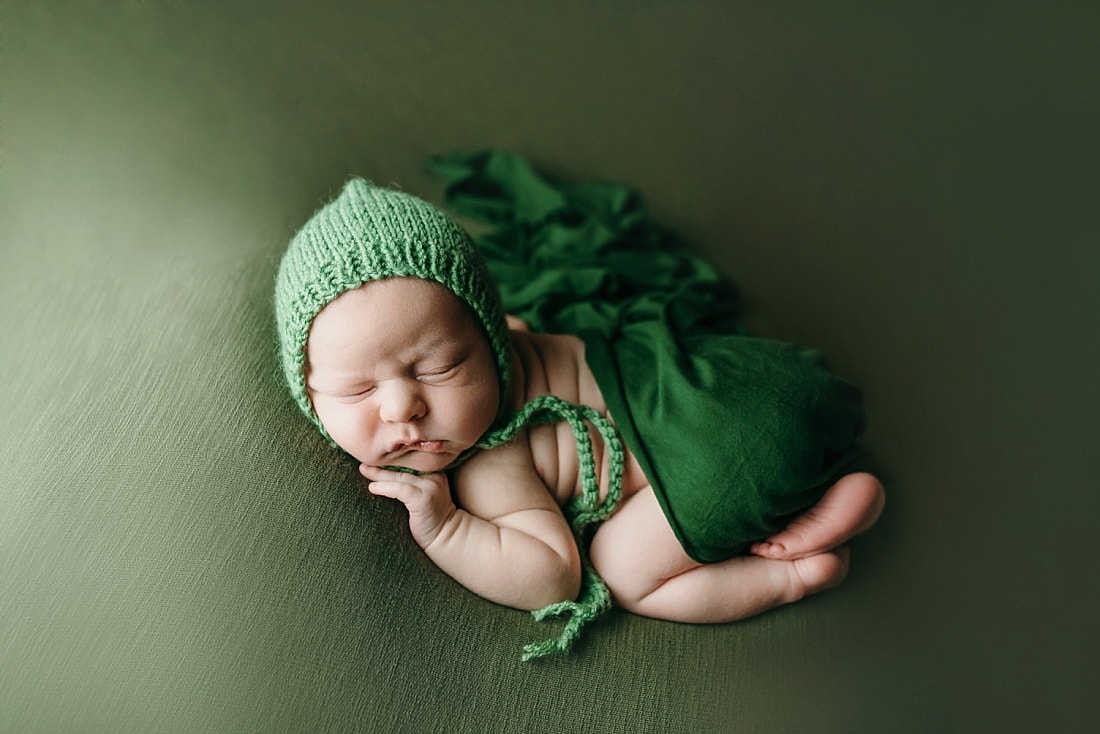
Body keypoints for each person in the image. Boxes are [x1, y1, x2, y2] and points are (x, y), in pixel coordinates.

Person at [274, 159, 884, 660]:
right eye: (358, 391)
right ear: (309, 395)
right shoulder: (515, 335)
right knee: (782, 440)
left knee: (620, 569)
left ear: (489, 339)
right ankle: (834, 481)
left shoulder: (490, 463)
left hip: (707, 440)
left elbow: (554, 575)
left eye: (438, 369)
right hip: (744, 378)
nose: (403, 405)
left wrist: (446, 528)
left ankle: (793, 573)